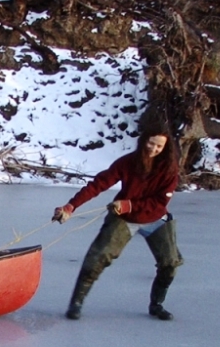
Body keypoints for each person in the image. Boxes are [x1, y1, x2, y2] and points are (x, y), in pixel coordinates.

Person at [52, 124, 183, 321]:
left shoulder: (169, 171)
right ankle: (76, 304)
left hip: (154, 218)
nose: (153, 149)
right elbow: (99, 184)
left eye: (159, 146)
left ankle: (157, 304)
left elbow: (159, 203)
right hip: (124, 218)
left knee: (170, 263)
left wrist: (129, 205)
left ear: (166, 148)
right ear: (143, 141)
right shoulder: (128, 162)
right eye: (150, 143)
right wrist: (71, 206)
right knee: (96, 258)